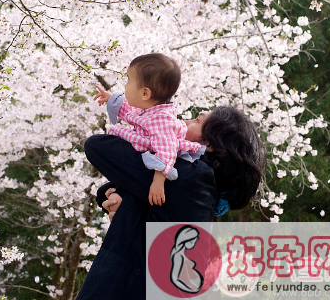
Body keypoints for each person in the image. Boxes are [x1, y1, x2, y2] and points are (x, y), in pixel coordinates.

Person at [76, 105, 266, 300]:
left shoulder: (192, 177)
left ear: (209, 144)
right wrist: (119, 201)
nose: (185, 122)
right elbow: (114, 188)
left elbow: (98, 146)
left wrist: (157, 129)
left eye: (196, 121)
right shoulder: (199, 187)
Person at [94, 53, 205, 206]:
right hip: (146, 149)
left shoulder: (162, 119)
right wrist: (112, 99)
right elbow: (133, 114)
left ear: (145, 93)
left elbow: (166, 150)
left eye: (129, 81)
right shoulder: (151, 109)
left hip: (155, 159)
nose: (125, 86)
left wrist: (158, 181)